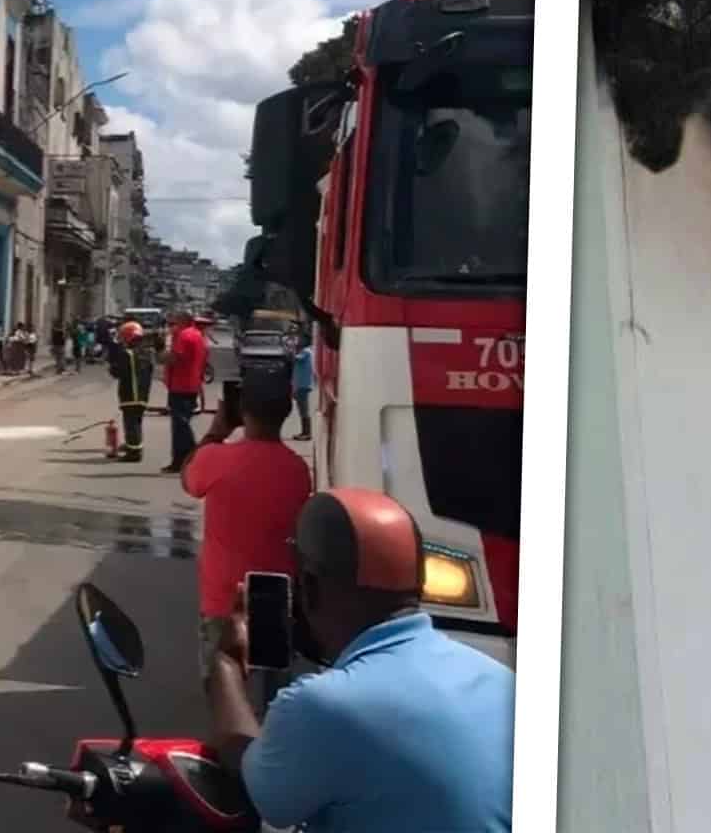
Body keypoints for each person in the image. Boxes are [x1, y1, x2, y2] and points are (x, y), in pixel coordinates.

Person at [189, 489, 513, 833]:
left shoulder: (324, 705)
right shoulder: (502, 681)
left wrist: (225, 664)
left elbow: (259, 790)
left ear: (309, 587)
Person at [182, 376, 313, 707]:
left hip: (224, 600)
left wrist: (216, 431)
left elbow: (188, 477)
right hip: (275, 597)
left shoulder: (217, 458)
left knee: (225, 694)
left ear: (242, 412)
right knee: (273, 698)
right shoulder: (296, 469)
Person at [157, 309, 210, 475]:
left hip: (181, 385)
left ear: (183, 321)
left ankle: (190, 457)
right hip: (189, 384)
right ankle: (181, 460)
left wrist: (159, 353)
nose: (171, 325)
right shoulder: (196, 334)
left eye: (174, 322)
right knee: (181, 423)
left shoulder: (184, 335)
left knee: (180, 425)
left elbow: (175, 358)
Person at [105, 320, 157, 464]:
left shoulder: (127, 354)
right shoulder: (148, 353)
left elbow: (117, 372)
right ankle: (134, 445)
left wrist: (111, 366)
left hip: (129, 393)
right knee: (137, 421)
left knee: (131, 423)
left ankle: (134, 452)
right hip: (143, 394)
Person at [291, 337, 315, 443]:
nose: (296, 344)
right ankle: (304, 432)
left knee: (304, 410)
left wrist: (290, 351)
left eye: (298, 342)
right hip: (301, 385)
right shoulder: (306, 352)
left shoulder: (306, 352)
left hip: (303, 385)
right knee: (302, 410)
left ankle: (307, 433)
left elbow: (296, 359)